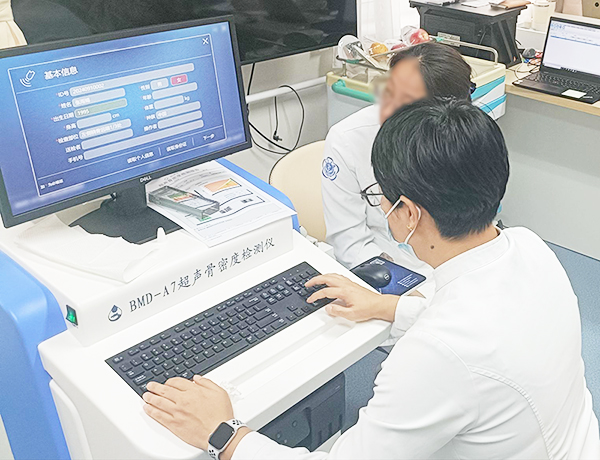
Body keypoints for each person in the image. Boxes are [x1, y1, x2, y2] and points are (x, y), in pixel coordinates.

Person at [141, 98, 600, 459]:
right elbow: (477, 327)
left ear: (408, 214)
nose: (379, 205)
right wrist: (387, 306)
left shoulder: (433, 356)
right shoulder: (529, 248)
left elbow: (454, 349)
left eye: (380, 195)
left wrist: (223, 434)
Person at [322, 41, 472, 270]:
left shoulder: (463, 134)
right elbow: (350, 244)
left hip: (456, 263)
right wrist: (399, 286)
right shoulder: (348, 140)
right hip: (389, 264)